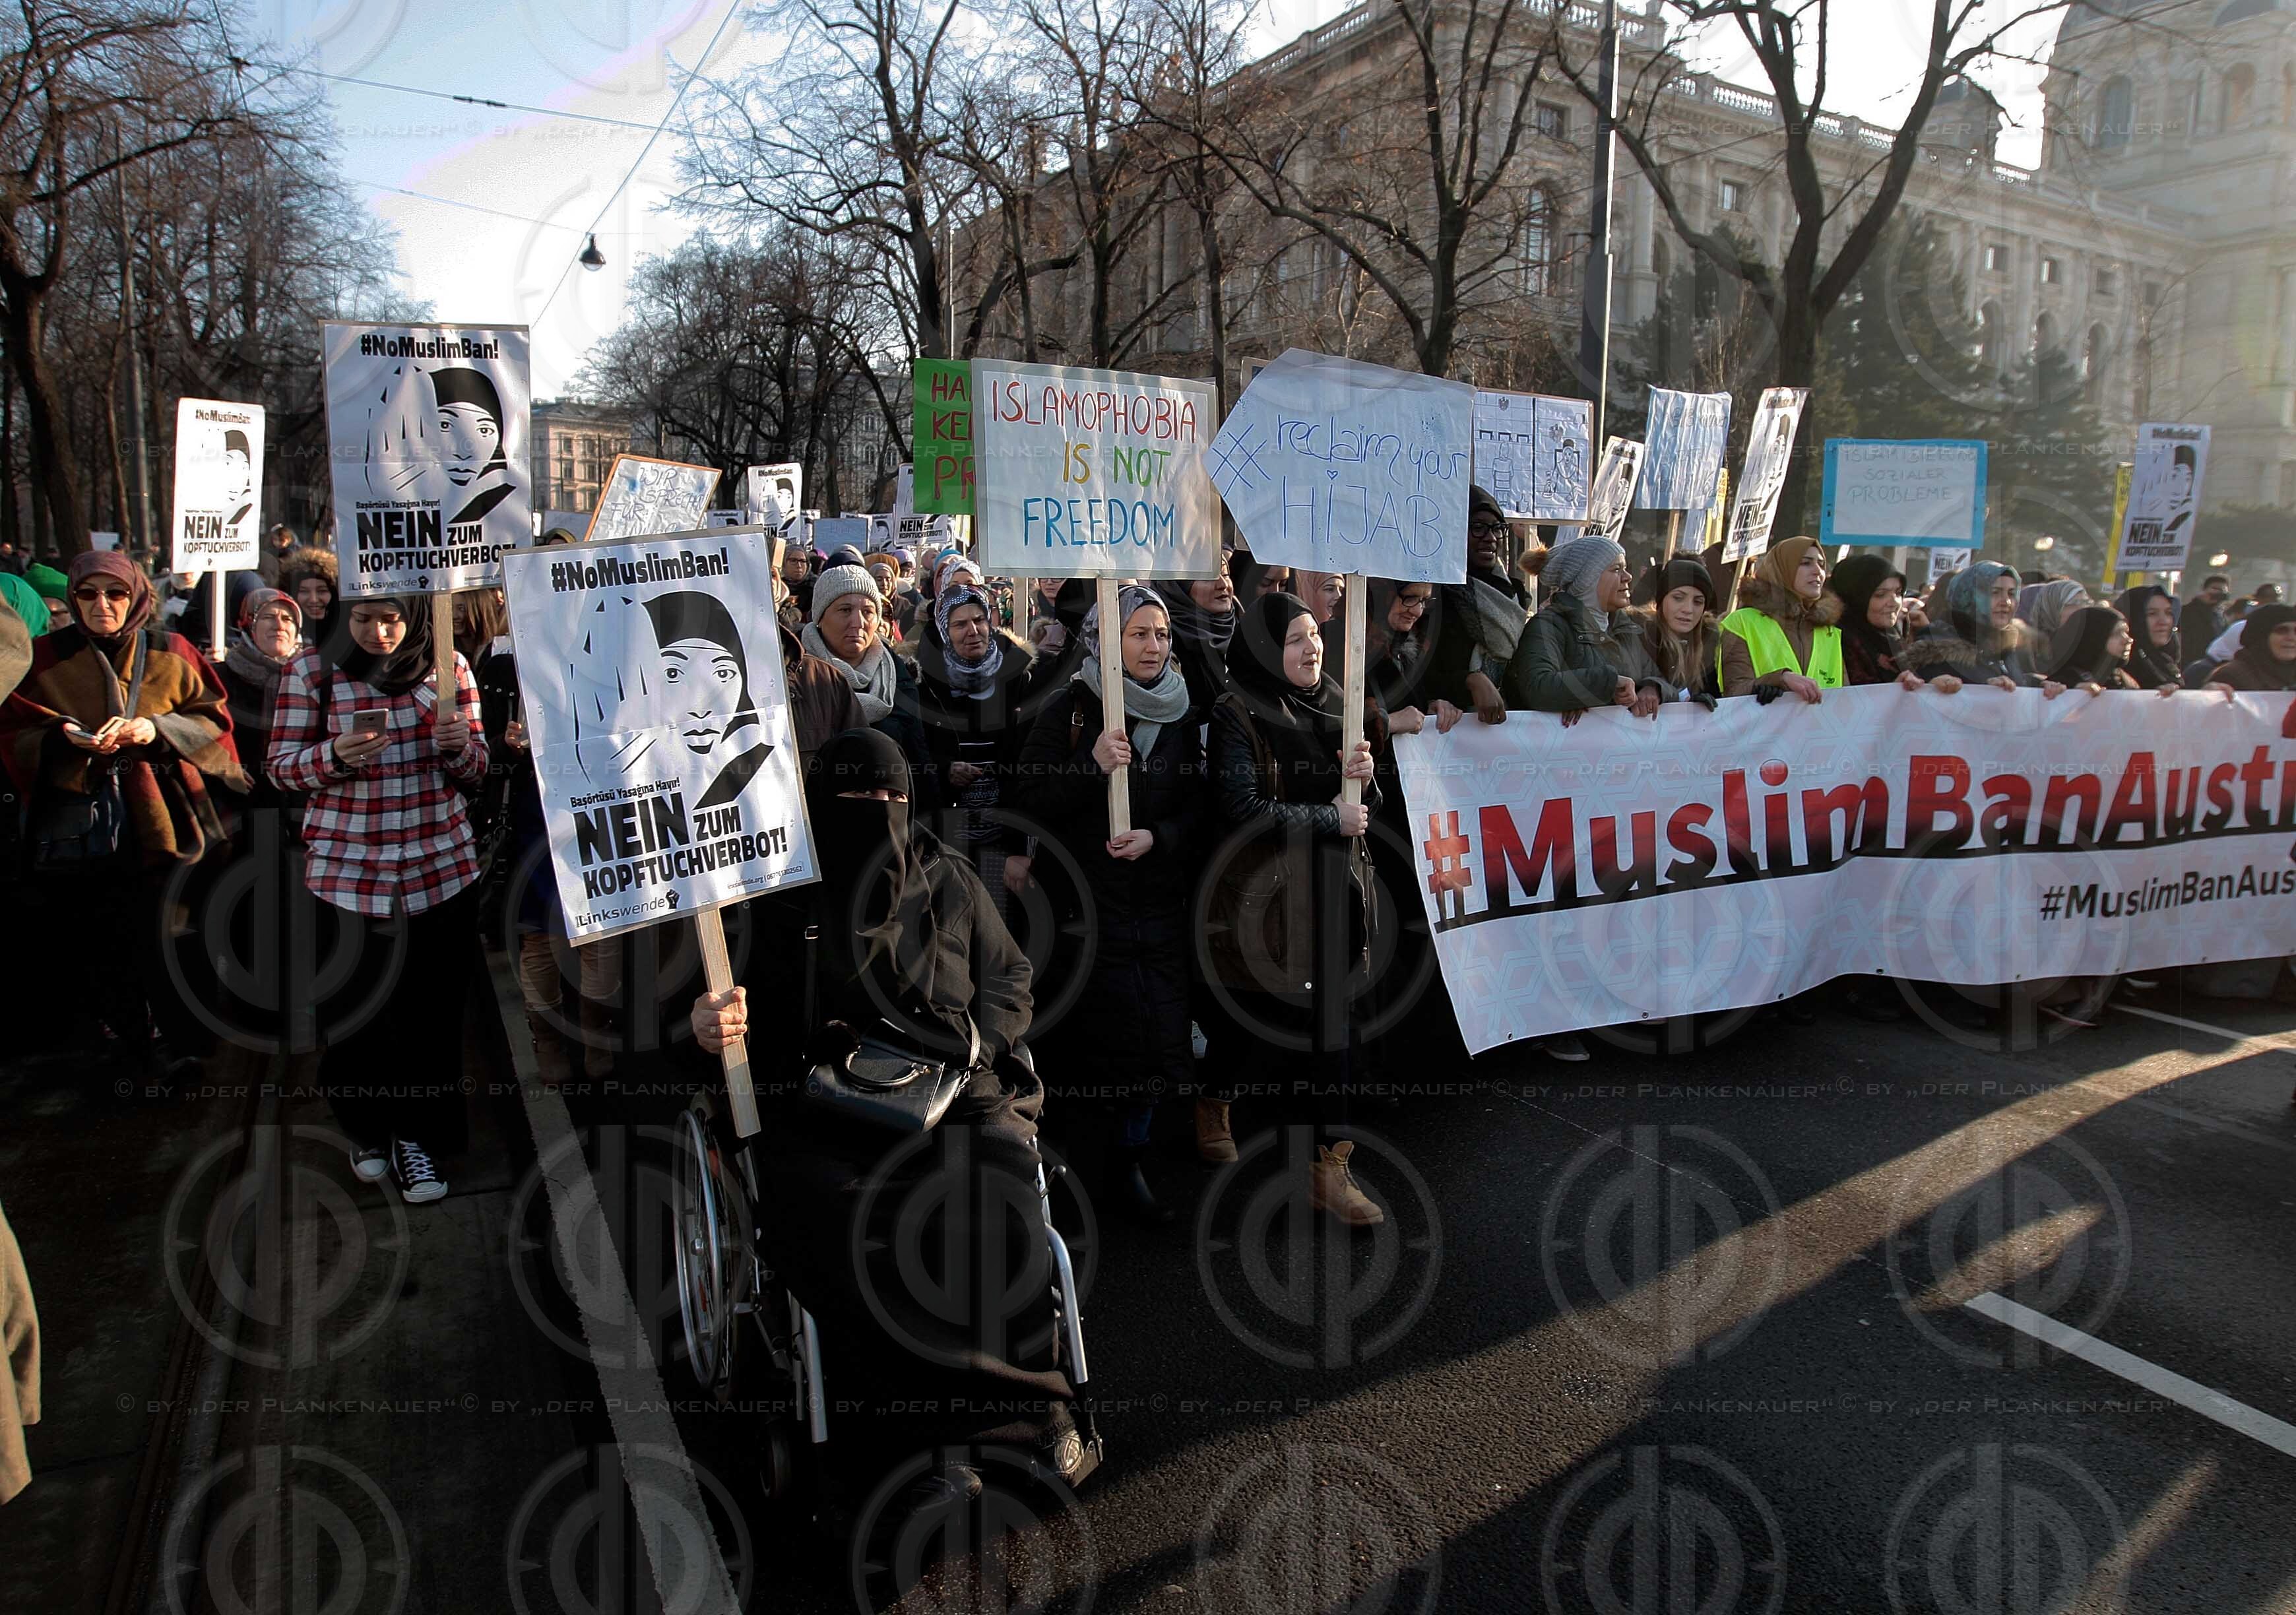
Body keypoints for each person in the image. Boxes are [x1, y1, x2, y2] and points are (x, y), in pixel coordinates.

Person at [687, 728, 1093, 1501]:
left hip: (957, 1092)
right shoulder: (775, 897)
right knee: (843, 1224)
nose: (879, 814)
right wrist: (713, 1026)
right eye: (857, 800)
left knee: (1001, 1199)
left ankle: (1025, 1415)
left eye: (893, 799)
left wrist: (982, 1040)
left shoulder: (951, 880)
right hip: (825, 1108)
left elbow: (1009, 974)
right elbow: (728, 1012)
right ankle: (902, 1436)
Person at [266, 594, 488, 1203]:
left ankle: (421, 1139)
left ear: (414, 616)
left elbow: (478, 770)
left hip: (439, 871)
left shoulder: (451, 668)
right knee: (354, 1016)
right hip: (346, 875)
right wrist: (331, 757)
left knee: (431, 1019)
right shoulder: (309, 671)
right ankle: (367, 1127)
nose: (379, 633)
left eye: (391, 619)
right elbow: (280, 768)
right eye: (363, 619)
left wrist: (457, 747)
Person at [0, 552, 242, 1070]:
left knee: (175, 936)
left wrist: (156, 731)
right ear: (73, 598)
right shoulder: (44, 659)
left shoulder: (172, 649)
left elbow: (214, 722)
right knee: (102, 940)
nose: (102, 605)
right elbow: (13, 732)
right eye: (88, 594)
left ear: (136, 597)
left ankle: (185, 1046)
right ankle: (124, 1048)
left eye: (116, 594)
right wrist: (62, 737)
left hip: (171, 822)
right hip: (82, 827)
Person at [1014, 587, 1203, 1220]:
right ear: (1108, 641)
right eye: (1140, 634)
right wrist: (1089, 769)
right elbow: (1029, 802)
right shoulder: (1070, 707)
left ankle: (1131, 1161)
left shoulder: (1180, 712)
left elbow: (1200, 808)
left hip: (1155, 905)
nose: (1155, 646)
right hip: (1087, 909)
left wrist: (1161, 837)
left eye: (1162, 634)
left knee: (1155, 1040)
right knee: (1099, 1043)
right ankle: (1081, 1173)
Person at [1201, 593, 1386, 1225]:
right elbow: (1242, 810)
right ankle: (1214, 1098)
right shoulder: (1236, 712)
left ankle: (1327, 1168)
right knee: (1249, 1024)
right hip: (1270, 905)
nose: (1312, 648)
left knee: (1336, 1034)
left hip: (1336, 898)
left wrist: (1364, 773)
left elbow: (1368, 806)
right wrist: (1328, 817)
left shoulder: (1337, 700)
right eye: (1294, 639)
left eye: (1314, 635)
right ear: (1261, 649)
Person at [910, 571, 1042, 912]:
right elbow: (910, 757)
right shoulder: (921, 683)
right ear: (943, 630)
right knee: (951, 933)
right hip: (943, 839)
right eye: (959, 625)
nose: (973, 631)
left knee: (1000, 936)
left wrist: (1019, 847)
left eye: (980, 620)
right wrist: (944, 771)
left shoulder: (1017, 677)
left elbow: (1030, 766)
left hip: (1002, 835)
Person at [1504, 534, 1663, 722]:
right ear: (1588, 580)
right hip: (1565, 750)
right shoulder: (1549, 625)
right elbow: (1537, 687)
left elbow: (1661, 678)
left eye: (1625, 569)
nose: (1628, 577)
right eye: (1617, 569)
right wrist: (1608, 683)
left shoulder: (1627, 628)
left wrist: (1652, 688)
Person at [802, 563, 926, 773]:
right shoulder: (796, 677)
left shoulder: (898, 673)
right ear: (820, 618)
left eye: (868, 611)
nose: (857, 622)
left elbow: (918, 754)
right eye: (845, 610)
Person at [1425, 485, 1527, 724]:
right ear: (1455, 531)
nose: (1491, 538)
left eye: (1498, 529)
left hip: (1507, 725)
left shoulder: (1515, 592)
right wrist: (1470, 681)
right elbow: (1419, 671)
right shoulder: (1434, 592)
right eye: (1478, 528)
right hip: (1449, 725)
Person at [1903, 561, 2066, 694]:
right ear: (1968, 596)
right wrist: (1983, 689)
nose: (2006, 602)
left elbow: (2017, 683)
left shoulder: (2008, 646)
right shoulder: (1936, 649)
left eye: (2011, 593)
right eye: (1995, 592)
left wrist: (2041, 686)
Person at [1716, 536, 1842, 701]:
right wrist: (1779, 679)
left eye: (1821, 564)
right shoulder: (1741, 623)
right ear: (1783, 569)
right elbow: (1733, 693)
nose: (1818, 571)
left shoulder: (1830, 633)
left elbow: (1844, 700)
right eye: (1806, 563)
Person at [1625, 556, 1722, 703]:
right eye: (1678, 598)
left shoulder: (1706, 639)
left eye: (1698, 602)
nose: (1688, 610)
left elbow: (1716, 698)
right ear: (1661, 600)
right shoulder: (1637, 635)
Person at [1152, 569, 1239, 722]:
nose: (1223, 584)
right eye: (1207, 577)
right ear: (1178, 587)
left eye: (1226, 575)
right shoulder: (1160, 644)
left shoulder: (1244, 629)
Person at [1830, 554, 1924, 689]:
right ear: (1856, 598)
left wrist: (1926, 634)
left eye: (1898, 593)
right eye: (1880, 595)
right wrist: (1893, 690)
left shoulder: (1898, 638)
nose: (1894, 603)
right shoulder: (1835, 642)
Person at [2204, 602, 2296, 693]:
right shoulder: (2233, 676)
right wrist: (2211, 696)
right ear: (2261, 637)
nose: (2292, 638)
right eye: (2281, 631)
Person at [2112, 584, 2183, 690]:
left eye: (2169, 613)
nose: (2163, 621)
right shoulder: (2116, 670)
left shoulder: (2166, 660)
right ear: (2133, 618)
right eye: (2152, 614)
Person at [279, 546, 339, 650]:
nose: (313, 600)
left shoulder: (350, 630)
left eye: (322, 591)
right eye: (304, 592)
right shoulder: (282, 630)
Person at [2016, 579, 2091, 645]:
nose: (2082, 608)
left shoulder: (2089, 642)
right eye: (2075, 603)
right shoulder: (2024, 651)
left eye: (2086, 602)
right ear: (2051, 608)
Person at [2181, 574, 2231, 658]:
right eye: (2214, 589)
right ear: (2204, 590)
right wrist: (2201, 603)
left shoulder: (2221, 616)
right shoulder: (2189, 610)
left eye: (2222, 591)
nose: (2217, 593)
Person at [256, 523, 299, 587]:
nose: (278, 543)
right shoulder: (270, 552)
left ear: (289, 540)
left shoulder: (293, 553)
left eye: (282, 540)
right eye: (276, 540)